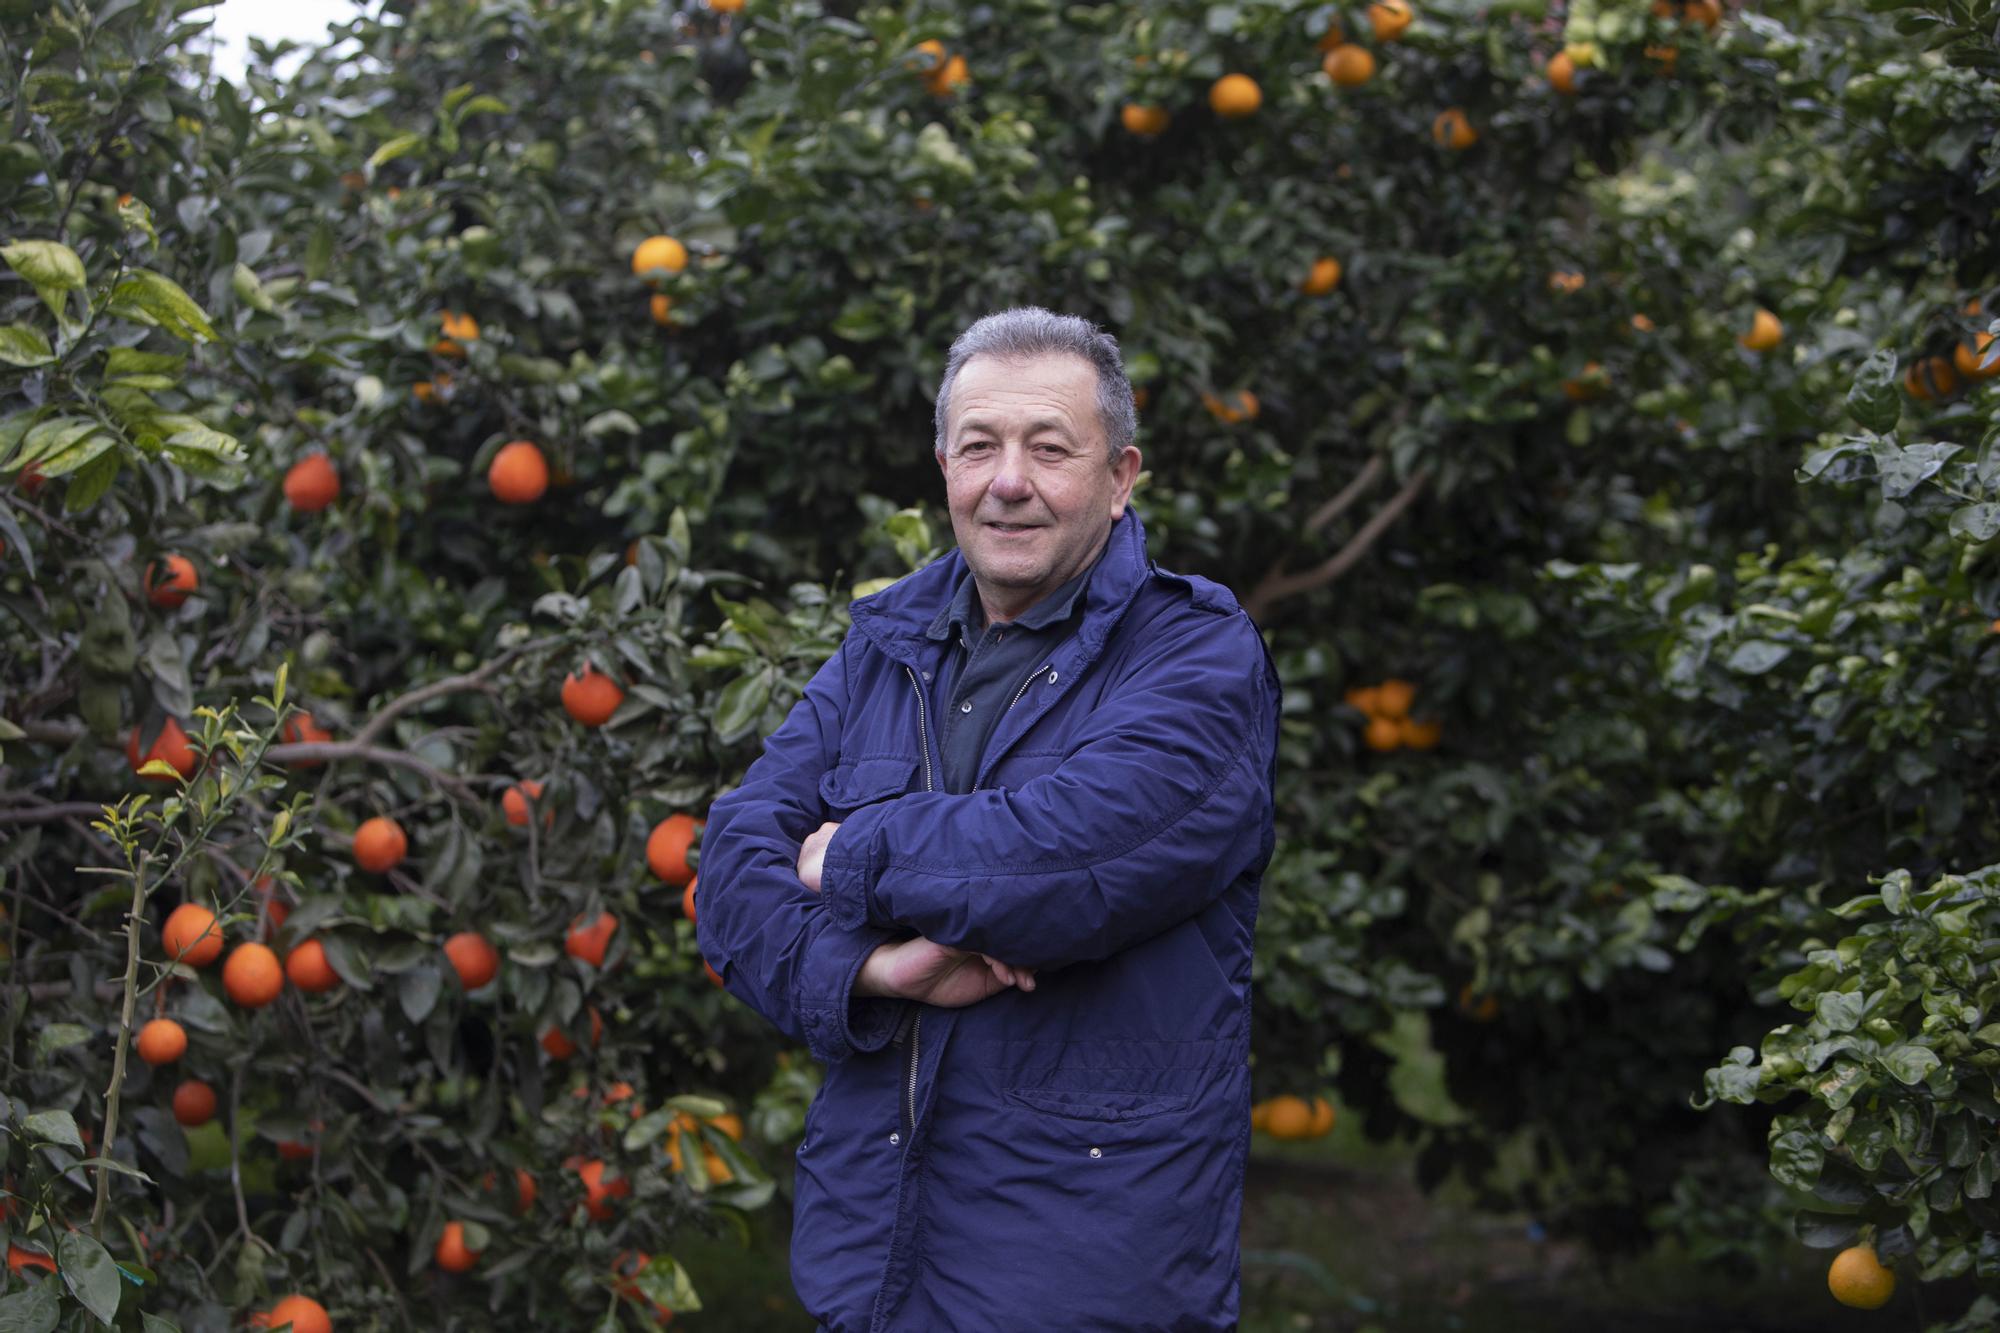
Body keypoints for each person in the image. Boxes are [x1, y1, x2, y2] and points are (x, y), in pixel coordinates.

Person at [696, 306, 1281, 1332]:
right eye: (979, 447)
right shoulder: (889, 641)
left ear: (1120, 476)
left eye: (1048, 449)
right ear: (944, 468)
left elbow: (1061, 861)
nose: (1008, 480)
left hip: (1078, 1268)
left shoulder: (1193, 659)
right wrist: (875, 972)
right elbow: (732, 875)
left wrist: (849, 854)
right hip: (870, 1256)